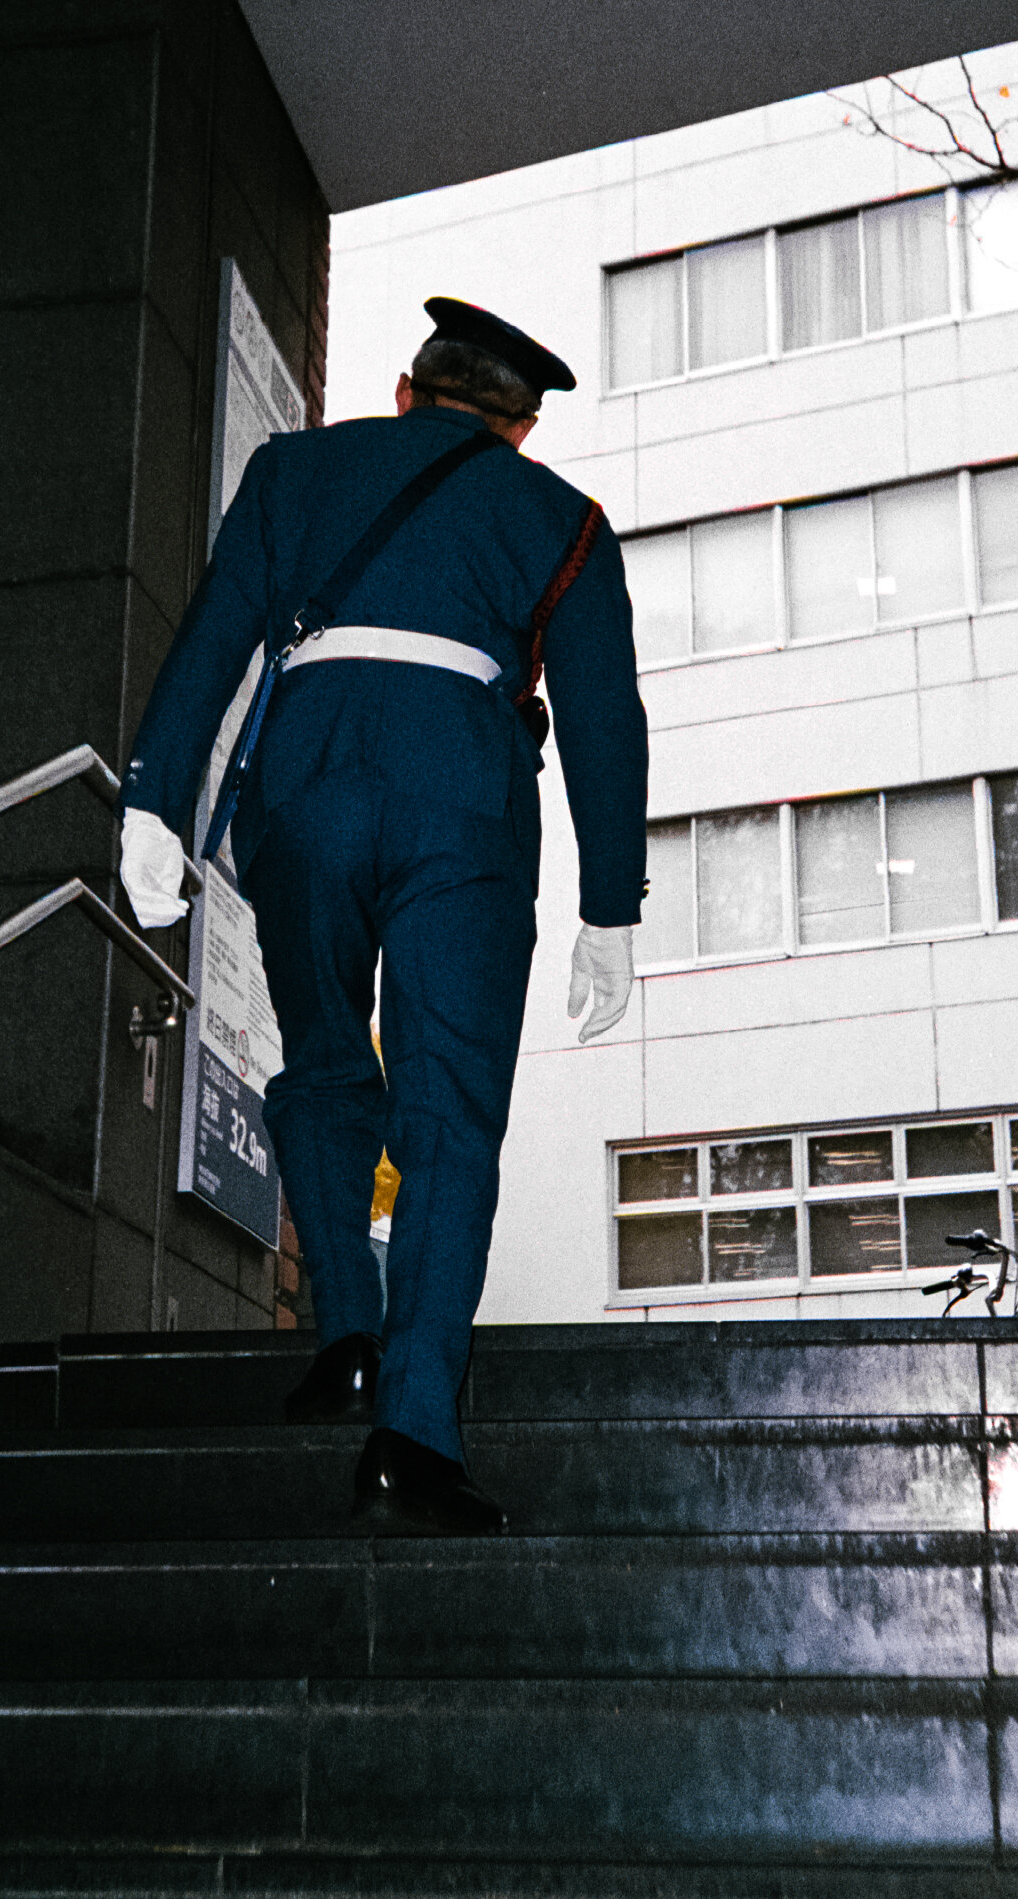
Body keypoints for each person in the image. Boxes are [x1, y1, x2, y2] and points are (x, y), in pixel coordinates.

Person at [119, 298, 649, 1533]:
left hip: (302, 792)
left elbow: (214, 633)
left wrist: (151, 799)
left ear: (406, 392)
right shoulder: (558, 517)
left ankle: (344, 1326)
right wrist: (606, 907)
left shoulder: (293, 468)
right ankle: (412, 1432)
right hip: (460, 807)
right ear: (516, 428)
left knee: (320, 1065)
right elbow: (601, 721)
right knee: (448, 1113)